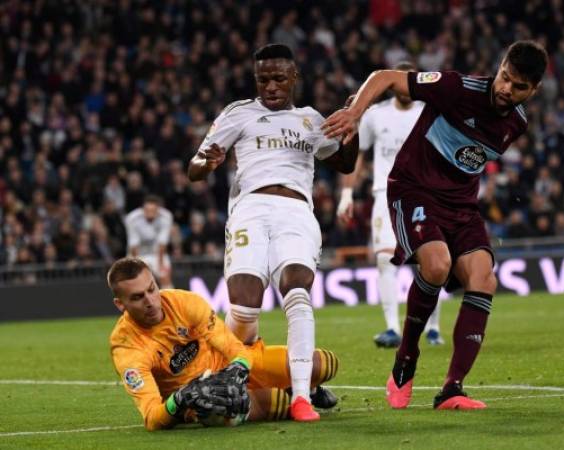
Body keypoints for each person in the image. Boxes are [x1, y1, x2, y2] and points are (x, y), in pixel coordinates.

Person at [323, 41, 547, 410]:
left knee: (483, 276)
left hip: (460, 205)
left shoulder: (516, 124)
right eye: (505, 77)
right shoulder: (458, 88)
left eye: (519, 86)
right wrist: (356, 113)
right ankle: (406, 354)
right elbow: (384, 77)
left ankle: (452, 389)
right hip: (414, 189)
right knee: (438, 264)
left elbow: (469, 160)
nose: (507, 88)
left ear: (533, 90)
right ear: (500, 65)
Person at [188, 43, 358, 421]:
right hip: (250, 208)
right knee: (245, 307)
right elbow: (194, 167)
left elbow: (344, 164)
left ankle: (300, 397)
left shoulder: (312, 120)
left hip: (296, 210)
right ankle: (229, 372)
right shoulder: (238, 113)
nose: (271, 86)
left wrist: (353, 125)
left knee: (297, 291)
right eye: (263, 79)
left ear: (294, 77)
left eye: (279, 78)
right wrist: (207, 161)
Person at [108, 257, 339, 431]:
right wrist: (179, 401)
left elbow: (234, 347)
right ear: (120, 304)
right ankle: (289, 393)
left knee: (324, 364)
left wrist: (237, 368)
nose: (150, 301)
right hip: (204, 398)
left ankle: (308, 388)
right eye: (138, 297)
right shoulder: (127, 347)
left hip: (233, 368)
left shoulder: (184, 302)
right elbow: (151, 417)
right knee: (278, 402)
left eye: (152, 289)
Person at [336, 61, 444, 348]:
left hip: (423, 194)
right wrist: (347, 195)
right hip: (385, 193)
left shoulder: (429, 113)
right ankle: (392, 329)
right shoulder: (375, 115)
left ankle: (433, 328)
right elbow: (357, 154)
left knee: (430, 261)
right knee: (385, 259)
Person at [124, 195, 173, 288]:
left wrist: (160, 266)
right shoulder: (132, 218)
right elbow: (134, 245)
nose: (149, 213)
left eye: (153, 210)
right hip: (138, 253)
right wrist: (138, 266)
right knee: (139, 282)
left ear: (158, 209)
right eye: (147, 210)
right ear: (143, 209)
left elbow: (162, 242)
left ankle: (169, 301)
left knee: (165, 277)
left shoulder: (166, 217)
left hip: (157, 253)